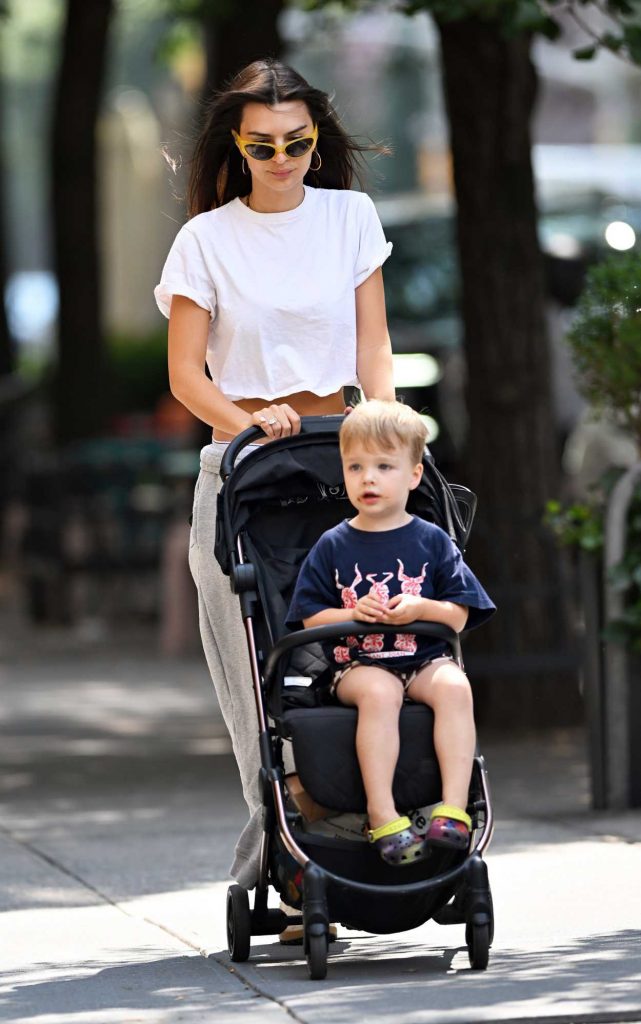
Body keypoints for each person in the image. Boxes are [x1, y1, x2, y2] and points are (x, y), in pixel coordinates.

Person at [154, 59, 395, 894]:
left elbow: (373, 346)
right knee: (256, 675)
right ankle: (295, 853)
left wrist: (387, 430)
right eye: (263, 146)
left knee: (365, 645)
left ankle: (376, 826)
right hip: (246, 469)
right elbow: (187, 376)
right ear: (237, 145)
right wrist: (245, 423)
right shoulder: (206, 240)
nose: (282, 158)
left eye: (298, 141)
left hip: (341, 464)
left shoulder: (349, 217)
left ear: (317, 137)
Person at [286, 401, 496, 866]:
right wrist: (350, 612)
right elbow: (307, 618)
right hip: (357, 664)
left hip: (422, 658)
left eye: (384, 466)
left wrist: (422, 607)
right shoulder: (333, 544)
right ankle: (382, 815)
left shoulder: (431, 540)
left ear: (414, 475)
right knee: (380, 694)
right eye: (355, 467)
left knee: (456, 686)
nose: (368, 479)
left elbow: (459, 616)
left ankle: (454, 809)